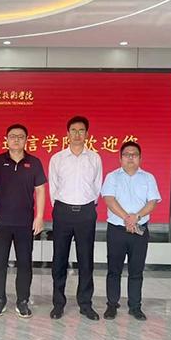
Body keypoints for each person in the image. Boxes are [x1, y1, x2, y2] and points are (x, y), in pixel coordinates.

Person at [0, 124, 47, 318]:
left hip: (25, 223)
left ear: (26, 140)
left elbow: (40, 190)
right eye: (12, 136)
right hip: (1, 222)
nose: (16, 140)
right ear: (6, 139)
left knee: (25, 263)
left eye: (20, 137)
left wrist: (39, 216)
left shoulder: (34, 163)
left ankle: (22, 301)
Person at [48, 116, 103, 320]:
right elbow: (53, 187)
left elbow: (97, 186)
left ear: (87, 134)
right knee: (59, 259)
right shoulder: (58, 158)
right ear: (67, 133)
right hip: (62, 212)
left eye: (81, 130)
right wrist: (61, 207)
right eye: (73, 130)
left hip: (86, 212)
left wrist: (87, 205)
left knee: (86, 260)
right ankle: (58, 304)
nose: (77, 134)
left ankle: (85, 304)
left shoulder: (94, 158)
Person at [101, 141, 161, 321]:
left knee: (136, 270)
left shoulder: (148, 178)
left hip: (140, 229)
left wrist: (137, 217)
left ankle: (135, 307)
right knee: (114, 269)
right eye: (126, 154)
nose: (130, 158)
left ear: (140, 158)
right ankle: (112, 305)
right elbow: (109, 199)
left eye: (134, 155)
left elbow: (153, 202)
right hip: (117, 230)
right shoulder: (112, 177)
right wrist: (128, 218)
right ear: (120, 158)